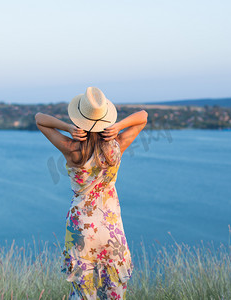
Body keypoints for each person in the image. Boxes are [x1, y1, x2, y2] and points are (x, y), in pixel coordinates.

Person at [35, 87, 148, 299]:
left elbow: (39, 119)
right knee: (114, 291)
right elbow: (143, 117)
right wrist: (119, 126)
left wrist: (67, 127)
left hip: (81, 228)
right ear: (106, 119)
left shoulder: (71, 148)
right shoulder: (117, 146)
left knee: (83, 294)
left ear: (79, 120)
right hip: (110, 229)